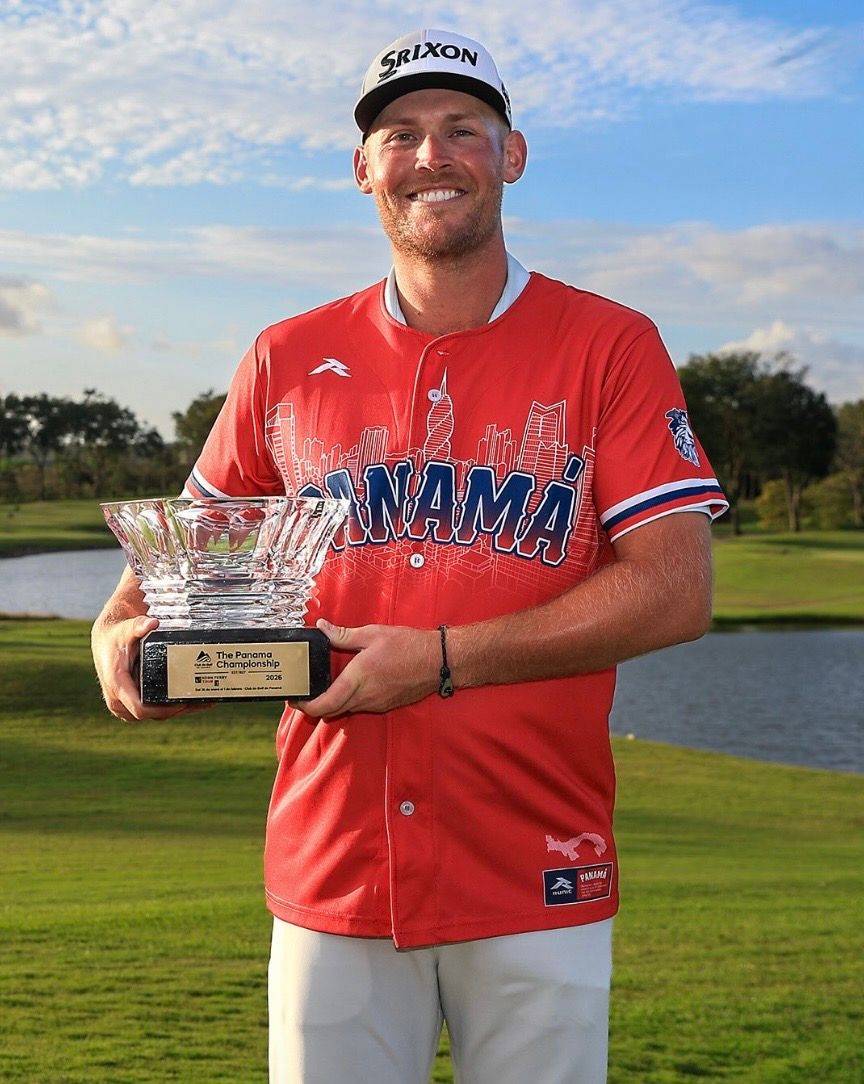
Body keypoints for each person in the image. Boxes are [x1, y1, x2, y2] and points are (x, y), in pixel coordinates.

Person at [92, 27, 728, 1084]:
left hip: (538, 856)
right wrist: (123, 645)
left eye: (460, 130)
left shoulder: (609, 342)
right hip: (333, 858)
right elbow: (156, 582)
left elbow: (675, 589)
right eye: (399, 134)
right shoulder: (285, 355)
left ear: (511, 156)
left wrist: (440, 655)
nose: (429, 156)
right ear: (364, 171)